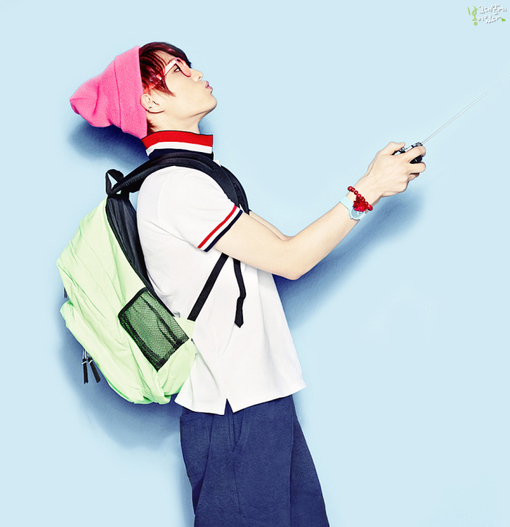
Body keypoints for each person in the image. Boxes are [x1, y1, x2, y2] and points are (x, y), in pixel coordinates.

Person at [70, 41, 426, 527]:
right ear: (150, 101)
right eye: (177, 70)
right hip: (230, 409)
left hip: (260, 398)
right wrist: (368, 189)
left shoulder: (199, 176)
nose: (196, 73)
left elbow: (286, 245)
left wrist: (371, 187)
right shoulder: (175, 186)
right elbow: (291, 261)